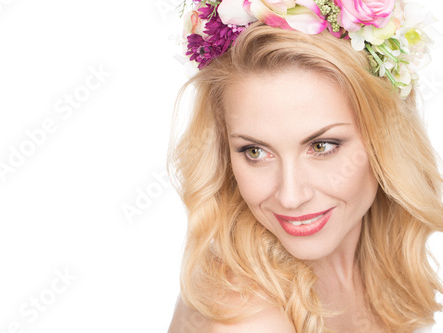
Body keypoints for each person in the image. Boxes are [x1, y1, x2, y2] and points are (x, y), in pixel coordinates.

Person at [167, 0, 443, 332]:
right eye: (255, 152)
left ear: (385, 137)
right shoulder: (249, 320)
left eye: (321, 146)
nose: (291, 196)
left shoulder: (378, 266)